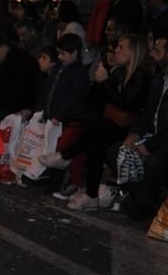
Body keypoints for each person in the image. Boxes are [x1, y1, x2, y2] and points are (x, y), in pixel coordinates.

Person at [40, 35, 152, 209]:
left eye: (122, 47)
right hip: (112, 123)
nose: (116, 51)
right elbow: (98, 99)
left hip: (131, 129)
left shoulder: (142, 75)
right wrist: (102, 82)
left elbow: (126, 102)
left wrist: (105, 82)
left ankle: (66, 156)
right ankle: (91, 195)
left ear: (133, 52)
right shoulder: (121, 72)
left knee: (94, 130)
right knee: (94, 144)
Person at [105, 36, 168, 217]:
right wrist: (135, 134)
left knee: (155, 161)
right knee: (115, 152)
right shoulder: (159, 79)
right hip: (153, 135)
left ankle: (143, 202)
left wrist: (151, 144)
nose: (152, 54)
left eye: (157, 51)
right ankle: (143, 199)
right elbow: (147, 113)